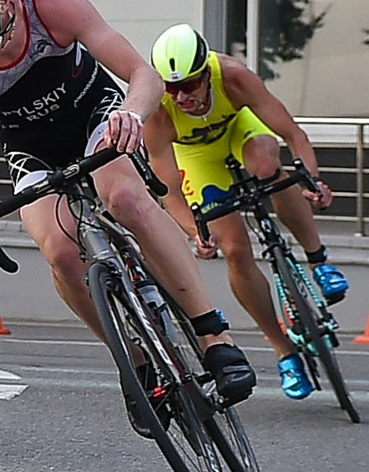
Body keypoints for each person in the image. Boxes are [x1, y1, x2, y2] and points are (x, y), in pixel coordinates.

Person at [0, 0, 257, 429]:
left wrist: (131, 115)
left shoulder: (52, 5)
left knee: (123, 197)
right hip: (34, 149)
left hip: (99, 118)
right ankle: (136, 360)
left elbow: (144, 76)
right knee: (58, 251)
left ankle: (213, 336)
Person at [144, 24, 350, 401]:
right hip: (199, 158)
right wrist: (194, 232)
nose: (182, 97)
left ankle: (319, 260)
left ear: (207, 73)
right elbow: (168, 191)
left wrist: (313, 182)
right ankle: (283, 350)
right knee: (235, 250)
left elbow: (293, 135)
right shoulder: (159, 111)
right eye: (172, 88)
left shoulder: (234, 77)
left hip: (241, 129)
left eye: (189, 85)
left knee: (270, 168)